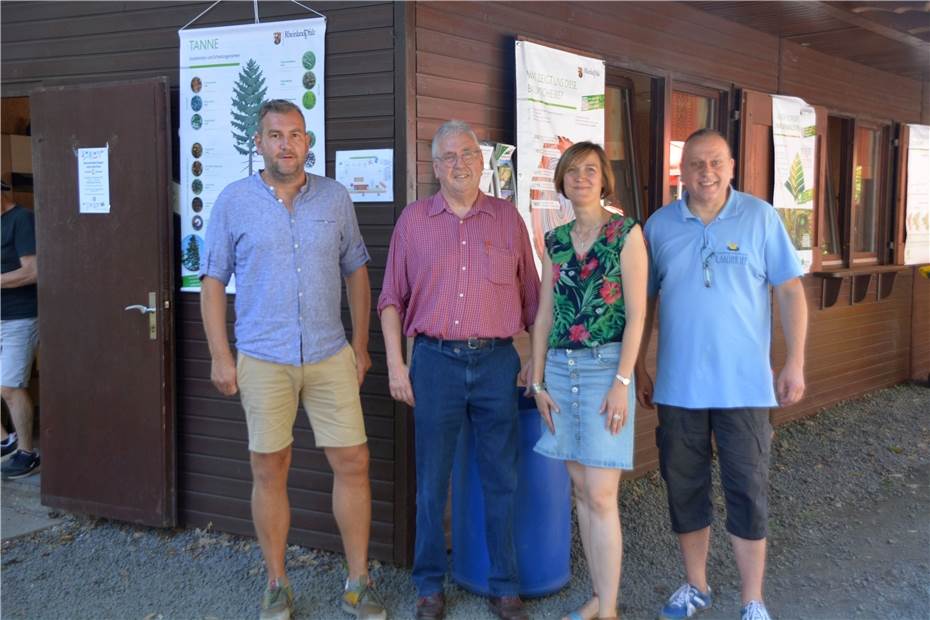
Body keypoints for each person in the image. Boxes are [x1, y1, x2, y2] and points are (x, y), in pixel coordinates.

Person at [200, 99, 386, 620]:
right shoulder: (233, 201)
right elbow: (212, 281)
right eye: (276, 135)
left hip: (330, 353)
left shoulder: (335, 197)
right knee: (270, 468)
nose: (287, 144)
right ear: (257, 143)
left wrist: (363, 345)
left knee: (354, 462)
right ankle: (277, 583)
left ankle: (358, 581)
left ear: (308, 141)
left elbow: (356, 271)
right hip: (262, 356)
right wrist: (221, 355)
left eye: (296, 134)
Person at [636, 129, 808, 620]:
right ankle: (696, 586)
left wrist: (794, 361)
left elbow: (790, 292)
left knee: (747, 489)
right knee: (684, 487)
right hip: (678, 386)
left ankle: (753, 600)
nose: (705, 173)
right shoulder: (660, 226)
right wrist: (640, 365)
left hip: (745, 386)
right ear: (682, 170)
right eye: (694, 164)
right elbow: (644, 302)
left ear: (731, 166)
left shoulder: (759, 217)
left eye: (714, 162)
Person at [378, 120, 540, 620]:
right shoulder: (413, 222)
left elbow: (533, 297)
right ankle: (429, 585)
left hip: (496, 363)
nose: (459, 163)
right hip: (434, 364)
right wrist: (395, 365)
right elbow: (390, 300)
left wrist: (535, 354)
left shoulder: (507, 219)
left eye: (467, 153)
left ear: (482, 160)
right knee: (432, 481)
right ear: (434, 166)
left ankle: (504, 584)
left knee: (502, 478)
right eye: (448, 156)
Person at [528, 142, 647, 620]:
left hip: (605, 370)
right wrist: (536, 383)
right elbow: (544, 313)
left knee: (601, 494)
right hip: (560, 370)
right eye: (572, 170)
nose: (580, 177)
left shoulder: (625, 233)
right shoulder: (555, 240)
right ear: (561, 180)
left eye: (590, 170)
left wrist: (622, 380)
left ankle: (610, 608)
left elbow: (637, 314)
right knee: (581, 491)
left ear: (604, 180)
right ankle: (600, 597)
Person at [1, 182, 40, 480]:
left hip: (19, 317)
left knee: (10, 387)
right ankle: (5, 440)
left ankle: (27, 453)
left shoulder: (22, 219)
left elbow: (32, 271)